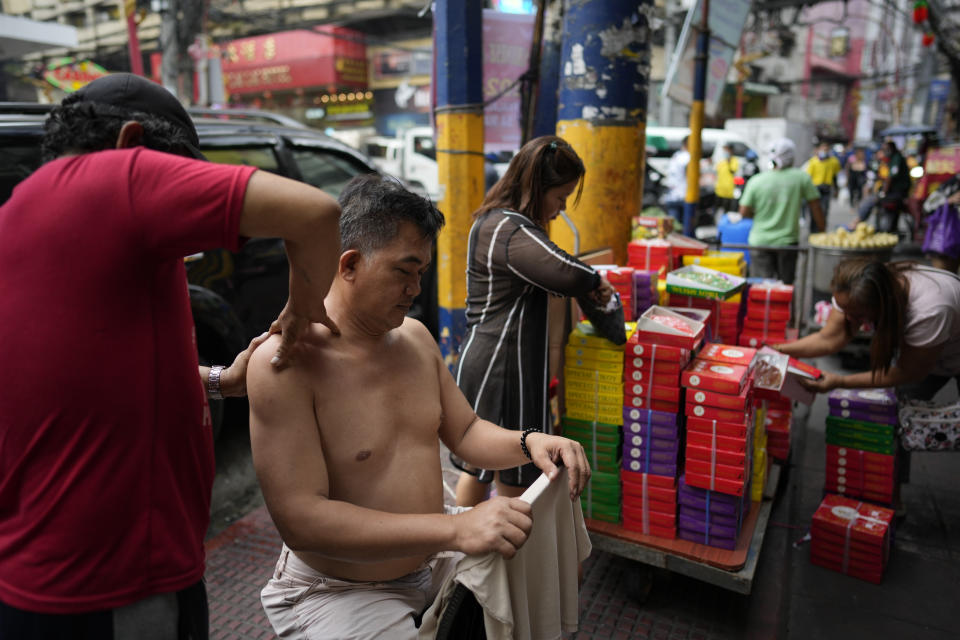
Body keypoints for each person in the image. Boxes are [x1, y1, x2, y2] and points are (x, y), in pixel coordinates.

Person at [0, 73, 342, 638]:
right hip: (116, 586)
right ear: (132, 143)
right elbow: (315, 213)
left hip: (38, 577)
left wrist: (213, 380)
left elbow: (76, 375)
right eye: (182, 168)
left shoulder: (18, 213)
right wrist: (304, 309)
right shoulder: (118, 176)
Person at [247, 174, 591, 639]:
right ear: (348, 264)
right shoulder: (285, 363)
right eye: (403, 271)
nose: (415, 288)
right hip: (340, 588)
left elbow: (466, 432)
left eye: (421, 273)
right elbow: (303, 520)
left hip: (434, 558)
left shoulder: (414, 338)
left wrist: (531, 442)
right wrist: (454, 529)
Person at [450, 135, 614, 506]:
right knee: (514, 480)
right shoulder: (507, 228)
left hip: (498, 361)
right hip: (503, 368)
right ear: (537, 188)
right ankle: (491, 556)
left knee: (479, 471)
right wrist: (596, 281)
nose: (558, 210)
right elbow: (565, 271)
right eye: (558, 198)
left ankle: (465, 555)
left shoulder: (501, 223)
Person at [739, 138, 824, 285]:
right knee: (785, 288)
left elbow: (743, 212)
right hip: (788, 243)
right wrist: (822, 231)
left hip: (760, 242)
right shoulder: (801, 178)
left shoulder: (756, 181)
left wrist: (758, 215)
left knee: (761, 288)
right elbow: (815, 207)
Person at [876, 139, 912, 233]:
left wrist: (884, 192)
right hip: (895, 190)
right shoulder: (890, 159)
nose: (884, 151)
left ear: (891, 148)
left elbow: (891, 177)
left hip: (899, 191)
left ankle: (888, 229)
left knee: (877, 201)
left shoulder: (897, 158)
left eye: (886, 149)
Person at [805, 141, 842, 229]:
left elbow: (835, 176)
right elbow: (808, 177)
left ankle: (822, 228)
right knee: (814, 209)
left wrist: (837, 189)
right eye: (823, 149)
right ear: (819, 150)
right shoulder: (813, 161)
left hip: (827, 188)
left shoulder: (833, 161)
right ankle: (813, 229)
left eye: (826, 149)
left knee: (824, 210)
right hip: (815, 188)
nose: (824, 151)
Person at [664, 134, 691, 235]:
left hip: (672, 196)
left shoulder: (676, 156)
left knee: (673, 229)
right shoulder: (687, 157)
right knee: (686, 231)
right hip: (684, 196)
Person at [714, 142, 739, 214]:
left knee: (727, 210)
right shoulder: (722, 161)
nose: (725, 152)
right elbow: (717, 172)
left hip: (729, 190)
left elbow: (733, 171)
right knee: (718, 209)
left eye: (727, 149)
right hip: (719, 189)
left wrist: (729, 161)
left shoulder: (734, 161)